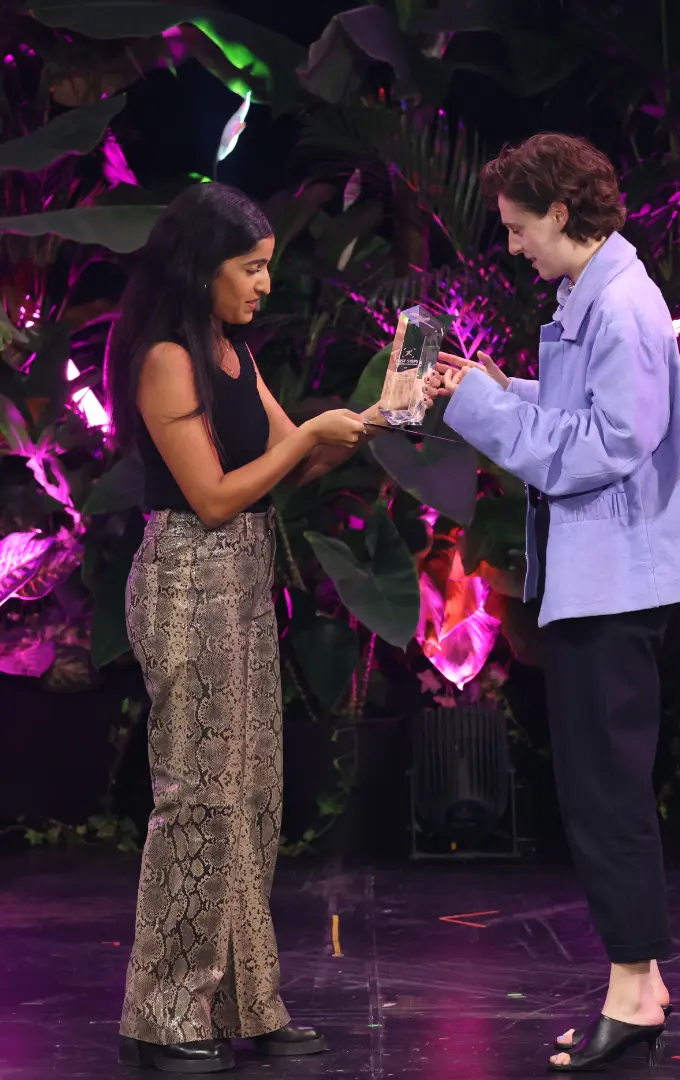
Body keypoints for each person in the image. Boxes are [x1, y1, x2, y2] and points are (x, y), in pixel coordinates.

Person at [104, 182, 423, 1073]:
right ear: (200, 267)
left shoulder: (231, 350)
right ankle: (161, 1017)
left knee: (250, 800)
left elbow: (299, 458)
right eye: (249, 268)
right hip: (188, 582)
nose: (263, 285)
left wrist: (382, 412)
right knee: (198, 800)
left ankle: (243, 1001)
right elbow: (212, 497)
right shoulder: (167, 358)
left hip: (241, 586)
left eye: (266, 267)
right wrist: (305, 436)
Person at [433, 133, 680, 1072]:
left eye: (521, 228)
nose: (514, 246)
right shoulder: (593, 295)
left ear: (561, 213)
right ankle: (640, 982)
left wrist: (483, 410)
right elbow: (577, 409)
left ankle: (632, 991)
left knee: (606, 791)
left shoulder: (621, 304)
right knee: (600, 785)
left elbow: (604, 445)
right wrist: (490, 388)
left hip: (615, 581)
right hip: (599, 578)